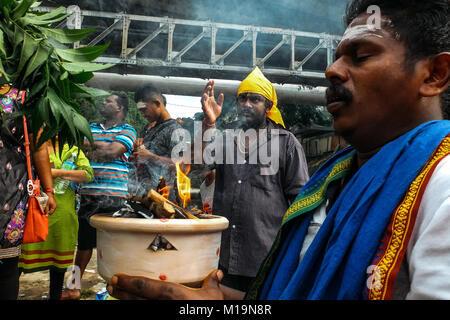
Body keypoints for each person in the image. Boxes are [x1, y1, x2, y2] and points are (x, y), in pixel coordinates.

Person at [107, 0, 450, 300]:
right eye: (241, 97)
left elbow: (293, 195)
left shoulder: (441, 184)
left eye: (360, 56)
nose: (331, 70)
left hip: (261, 253)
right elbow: (192, 167)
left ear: (434, 75)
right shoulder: (334, 177)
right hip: (224, 256)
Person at [64, 93, 136, 299]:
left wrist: (96, 147)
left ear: (120, 108)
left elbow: (114, 151)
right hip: (89, 194)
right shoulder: (92, 126)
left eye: (108, 101)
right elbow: (83, 147)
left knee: (114, 247)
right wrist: (105, 148)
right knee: (84, 245)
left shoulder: (128, 129)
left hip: (114, 196)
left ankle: (115, 289)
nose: (103, 103)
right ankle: (72, 286)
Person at [0, 84, 57, 300]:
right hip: (11, 189)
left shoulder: (24, 97)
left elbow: (38, 146)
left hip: (10, 191)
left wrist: (49, 190)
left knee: (6, 265)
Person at [18, 139, 93, 300]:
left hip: (62, 216)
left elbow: (88, 174)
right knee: (16, 264)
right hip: (33, 212)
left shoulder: (72, 150)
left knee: (58, 267)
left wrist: (57, 172)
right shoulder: (31, 145)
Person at [129, 84, 182, 200]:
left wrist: (150, 157)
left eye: (144, 110)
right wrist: (136, 154)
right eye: (140, 111)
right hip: (143, 195)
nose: (142, 114)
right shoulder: (148, 130)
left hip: (164, 197)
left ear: (157, 103)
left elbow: (181, 166)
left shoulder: (175, 130)